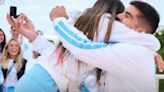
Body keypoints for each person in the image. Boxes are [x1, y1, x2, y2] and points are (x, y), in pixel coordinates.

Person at [6, 0, 161, 92]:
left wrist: (59, 20)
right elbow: (67, 54)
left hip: (37, 78)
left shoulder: (128, 50)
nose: (118, 19)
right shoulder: (108, 46)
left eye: (126, 16)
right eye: (118, 15)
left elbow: (77, 50)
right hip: (46, 82)